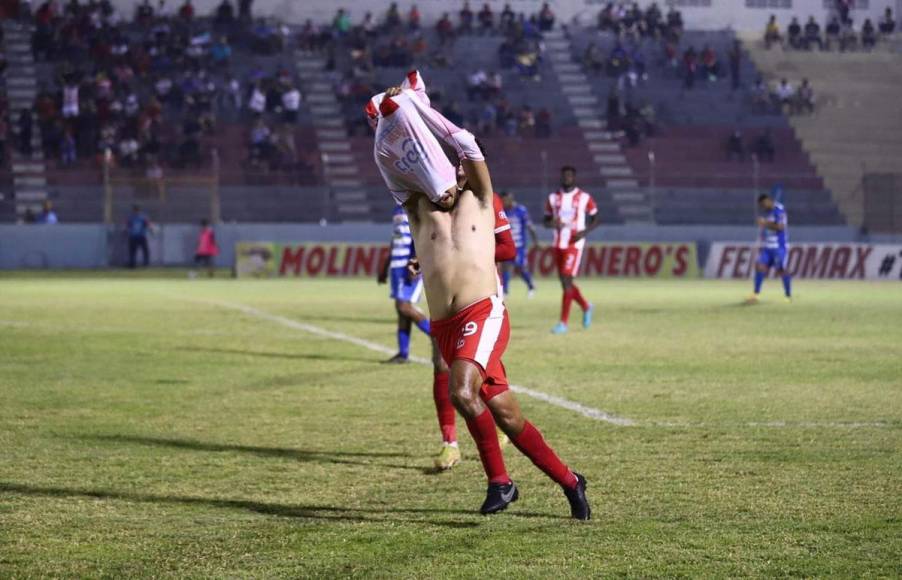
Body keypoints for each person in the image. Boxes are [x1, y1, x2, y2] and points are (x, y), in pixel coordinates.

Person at [368, 71, 590, 519]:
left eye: (467, 162)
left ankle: (500, 482)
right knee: (508, 416)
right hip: (447, 326)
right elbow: (390, 161)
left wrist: (419, 106)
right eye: (454, 164)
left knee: (461, 392)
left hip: (483, 313)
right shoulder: (416, 205)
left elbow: (464, 139)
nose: (460, 167)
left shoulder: (485, 201)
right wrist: (391, 118)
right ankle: (570, 480)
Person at [544, 166, 599, 335]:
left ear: (574, 178)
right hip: (558, 243)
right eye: (564, 175)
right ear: (561, 177)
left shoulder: (584, 197)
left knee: (567, 281)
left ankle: (563, 323)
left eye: (570, 175)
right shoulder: (553, 198)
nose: (567, 178)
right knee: (564, 283)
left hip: (574, 244)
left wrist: (584, 232)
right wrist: (552, 224)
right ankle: (586, 306)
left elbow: (596, 218)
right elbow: (545, 221)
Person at [378, 204, 431, 364]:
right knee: (401, 309)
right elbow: (396, 239)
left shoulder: (414, 204)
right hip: (396, 266)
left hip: (408, 265)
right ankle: (403, 353)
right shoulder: (397, 209)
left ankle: (438, 337)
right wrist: (385, 267)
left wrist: (416, 262)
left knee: (404, 307)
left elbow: (421, 235)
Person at [748, 192, 791, 304]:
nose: (762, 207)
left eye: (762, 205)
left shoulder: (779, 209)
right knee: (759, 266)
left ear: (767, 201)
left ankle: (788, 295)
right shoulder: (768, 212)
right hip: (768, 247)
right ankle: (755, 294)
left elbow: (780, 227)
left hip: (779, 246)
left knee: (781, 269)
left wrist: (764, 223)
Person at [500, 191, 538, 297]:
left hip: (519, 246)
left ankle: (531, 285)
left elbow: (530, 227)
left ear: (510, 199)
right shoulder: (503, 212)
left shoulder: (521, 210)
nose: (503, 202)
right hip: (508, 245)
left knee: (520, 268)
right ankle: (505, 291)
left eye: (505, 200)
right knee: (506, 267)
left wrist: (535, 242)